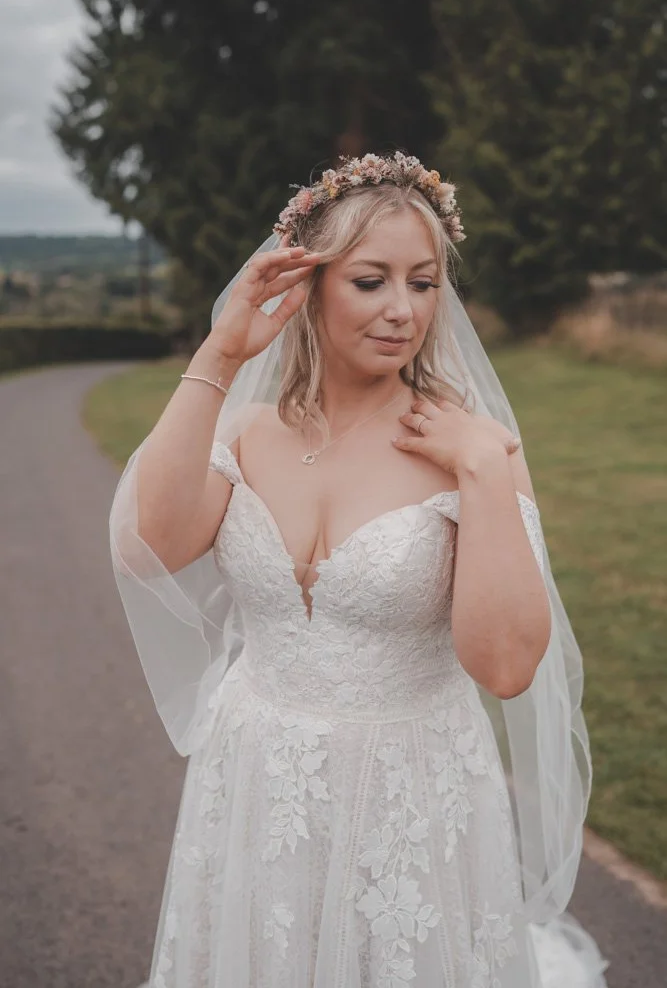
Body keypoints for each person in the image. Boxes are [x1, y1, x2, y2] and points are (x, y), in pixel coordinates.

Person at [110, 152, 610, 987]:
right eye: (370, 281)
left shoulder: (470, 450)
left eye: (422, 283)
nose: (401, 311)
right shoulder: (248, 432)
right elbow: (147, 548)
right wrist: (221, 354)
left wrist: (483, 474)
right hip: (257, 775)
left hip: (409, 791)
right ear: (307, 285)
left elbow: (508, 665)